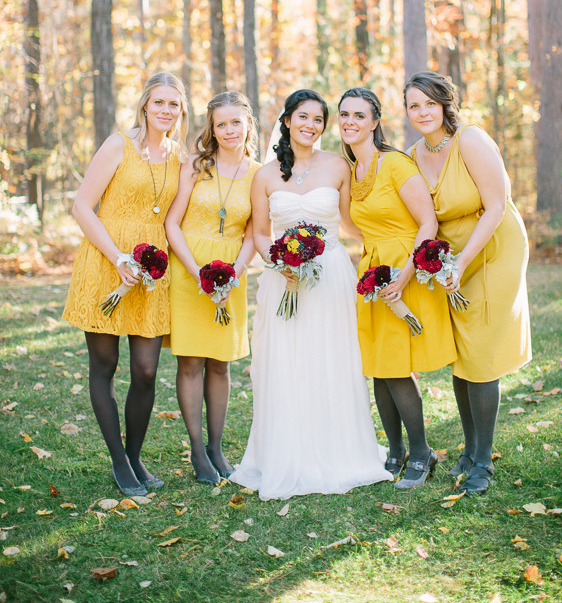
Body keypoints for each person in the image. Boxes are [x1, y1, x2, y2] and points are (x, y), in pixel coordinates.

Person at [230, 89, 391, 500]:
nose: (311, 125)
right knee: (285, 361)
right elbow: (261, 233)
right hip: (281, 278)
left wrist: (392, 236)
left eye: (319, 120)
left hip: (332, 275)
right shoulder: (264, 175)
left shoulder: (339, 166)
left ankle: (340, 450)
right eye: (303, 117)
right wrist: (281, 263)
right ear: (287, 121)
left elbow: (354, 222)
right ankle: (287, 452)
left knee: (331, 357)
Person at [404, 70, 531, 495]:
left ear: (444, 104)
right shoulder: (413, 155)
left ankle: (482, 460)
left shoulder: (471, 140)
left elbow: (496, 205)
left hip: (493, 246)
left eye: (428, 103)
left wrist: (461, 261)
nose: (421, 112)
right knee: (463, 351)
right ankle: (469, 449)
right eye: (413, 105)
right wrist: (437, 263)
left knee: (480, 350)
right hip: (450, 256)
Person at [62, 72, 188, 496]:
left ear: (181, 110)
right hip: (105, 262)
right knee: (105, 366)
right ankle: (120, 462)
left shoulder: (179, 156)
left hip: (151, 272)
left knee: (147, 371)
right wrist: (117, 257)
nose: (166, 111)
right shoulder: (119, 144)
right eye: (159, 103)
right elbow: (82, 206)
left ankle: (135, 456)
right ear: (144, 106)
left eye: (174, 104)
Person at [338, 88, 456, 490]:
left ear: (375, 121)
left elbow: (427, 223)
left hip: (404, 269)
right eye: (344, 115)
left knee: (394, 364)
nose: (350, 122)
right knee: (377, 364)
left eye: (359, 115)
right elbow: (353, 226)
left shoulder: (395, 164)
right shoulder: (351, 171)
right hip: (372, 269)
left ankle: (422, 452)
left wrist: (404, 273)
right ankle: (395, 450)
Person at [165, 92, 260, 485]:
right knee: (190, 362)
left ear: (248, 124)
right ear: (212, 128)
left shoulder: (259, 173)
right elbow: (172, 223)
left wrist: (236, 271)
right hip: (189, 269)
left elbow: (256, 231)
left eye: (236, 122)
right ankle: (197, 450)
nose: (229, 130)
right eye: (221, 124)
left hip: (232, 274)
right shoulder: (195, 166)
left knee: (220, 364)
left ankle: (218, 448)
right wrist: (197, 271)